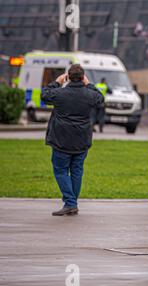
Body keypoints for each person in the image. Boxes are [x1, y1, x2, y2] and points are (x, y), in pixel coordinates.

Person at [41, 64, 104, 216]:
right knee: (77, 171)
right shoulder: (89, 94)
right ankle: (72, 203)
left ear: (68, 77)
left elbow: (44, 95)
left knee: (61, 171)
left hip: (61, 139)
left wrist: (57, 82)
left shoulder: (60, 93)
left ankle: (70, 203)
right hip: (81, 140)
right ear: (83, 78)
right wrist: (89, 84)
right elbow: (100, 99)